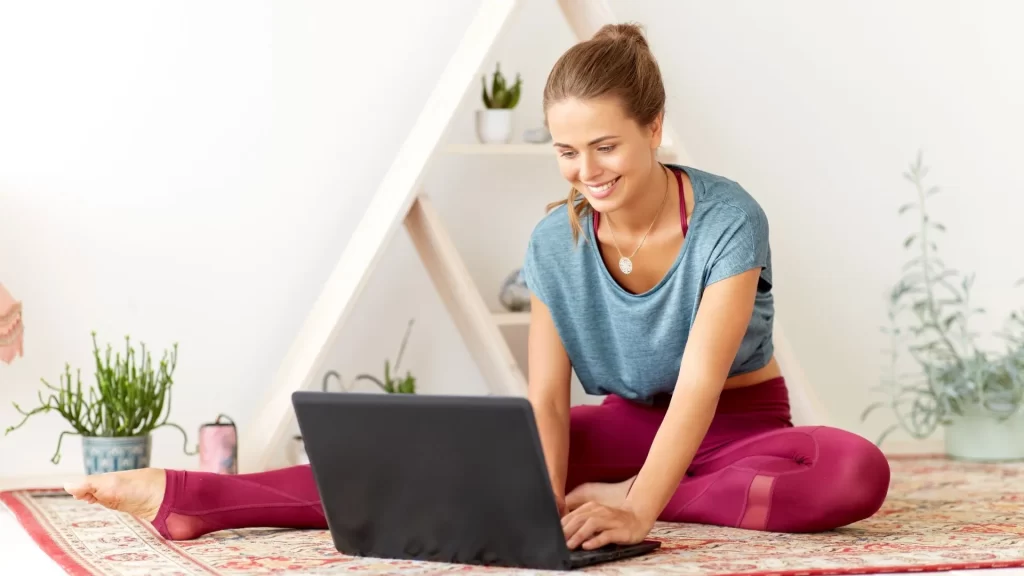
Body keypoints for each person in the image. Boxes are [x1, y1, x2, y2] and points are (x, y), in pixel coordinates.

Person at [64, 22, 891, 549]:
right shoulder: (554, 242)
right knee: (442, 466)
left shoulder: (726, 219)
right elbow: (545, 402)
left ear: (652, 128)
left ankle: (654, 496)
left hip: (739, 430)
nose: (586, 171)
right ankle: (195, 495)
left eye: (605, 146)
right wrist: (534, 501)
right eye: (567, 152)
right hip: (621, 430)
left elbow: (702, 388)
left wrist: (640, 505)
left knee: (854, 473)